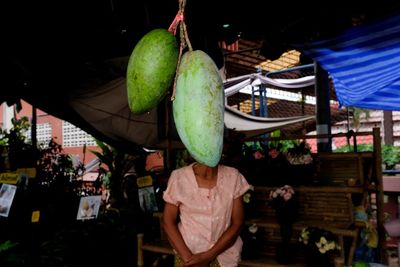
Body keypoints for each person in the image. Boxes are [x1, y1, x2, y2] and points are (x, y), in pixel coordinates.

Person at [162, 160, 250, 267]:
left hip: (224, 255)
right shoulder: (179, 177)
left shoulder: (233, 177)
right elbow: (167, 221)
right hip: (186, 254)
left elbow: (237, 223)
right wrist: (187, 258)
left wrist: (208, 256)